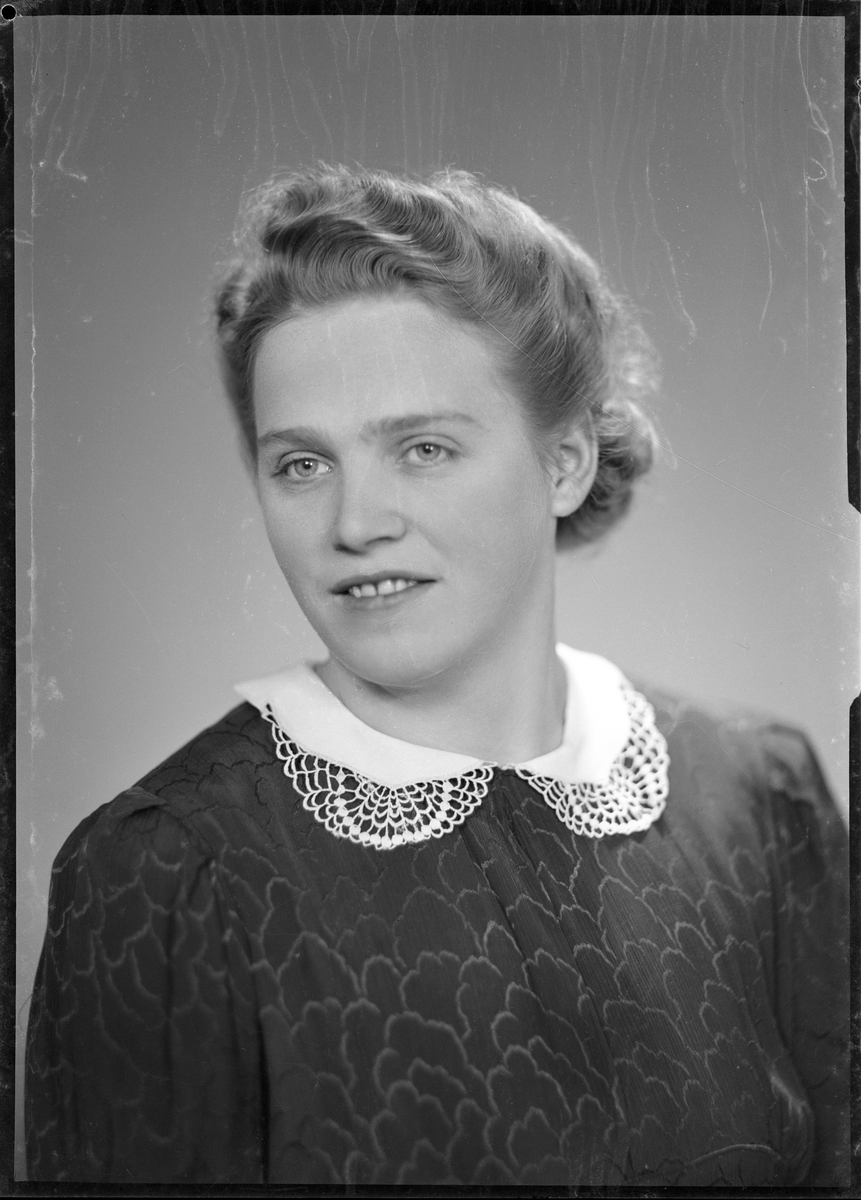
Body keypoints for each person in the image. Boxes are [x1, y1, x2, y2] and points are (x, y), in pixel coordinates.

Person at [25, 166, 848, 1186]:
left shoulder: (759, 794)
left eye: (421, 448)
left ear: (565, 463)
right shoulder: (163, 874)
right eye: (301, 464)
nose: (354, 524)